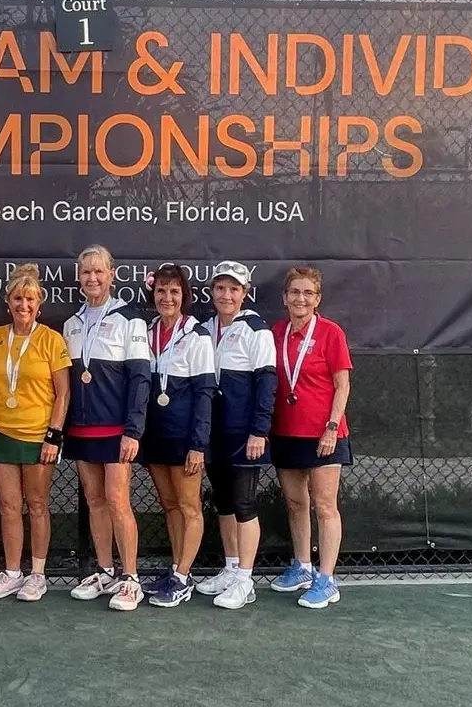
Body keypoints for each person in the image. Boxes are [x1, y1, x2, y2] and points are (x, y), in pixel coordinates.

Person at [62, 244, 150, 612]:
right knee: (95, 501)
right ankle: (104, 571)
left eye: (99, 271)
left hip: (117, 430)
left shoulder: (130, 320)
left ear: (112, 275)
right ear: (79, 278)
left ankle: (130, 579)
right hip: (82, 430)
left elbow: (141, 378)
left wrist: (133, 429)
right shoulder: (71, 324)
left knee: (117, 501)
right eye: (86, 272)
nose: (92, 278)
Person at [0, 265, 72, 602]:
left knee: (36, 504)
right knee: (7, 506)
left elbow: (63, 393)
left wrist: (54, 435)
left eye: (30, 299)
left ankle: (37, 574)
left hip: (38, 436)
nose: (24, 305)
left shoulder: (51, 339)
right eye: (18, 298)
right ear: (8, 302)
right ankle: (13, 573)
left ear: (39, 304)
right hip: (2, 432)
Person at [269, 266, 353, 609]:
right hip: (286, 432)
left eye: (307, 293)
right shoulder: (276, 332)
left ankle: (327, 578)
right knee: (295, 503)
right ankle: (302, 566)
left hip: (324, 435)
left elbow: (342, 384)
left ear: (317, 299)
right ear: (284, 297)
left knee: (324, 505)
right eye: (294, 292)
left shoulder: (331, 333)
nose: (300, 298)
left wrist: (332, 427)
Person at [195, 260, 277, 610]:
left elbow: (267, 382)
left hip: (245, 434)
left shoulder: (256, 329)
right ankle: (230, 568)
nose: (226, 295)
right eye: (220, 288)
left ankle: (246, 579)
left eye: (234, 289)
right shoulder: (202, 329)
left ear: (244, 293)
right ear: (212, 291)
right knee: (224, 502)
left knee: (244, 503)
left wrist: (259, 430)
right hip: (213, 432)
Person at [140, 264, 216, 608]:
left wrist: (198, 444)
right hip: (156, 436)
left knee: (189, 506)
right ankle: (174, 569)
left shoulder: (197, 335)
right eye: (161, 291)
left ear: (184, 296)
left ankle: (184, 577)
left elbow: (204, 394)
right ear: (153, 295)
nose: (166, 298)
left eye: (173, 292)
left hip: (186, 438)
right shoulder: (148, 330)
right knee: (169, 504)